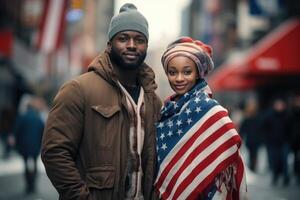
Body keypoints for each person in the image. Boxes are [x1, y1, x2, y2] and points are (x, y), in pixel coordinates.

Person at [41, 3, 162, 200]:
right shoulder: (78, 90)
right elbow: (55, 153)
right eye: (123, 38)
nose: (132, 45)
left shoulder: (154, 101)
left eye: (139, 39)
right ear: (109, 44)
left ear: (146, 46)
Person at [154, 37, 247, 200]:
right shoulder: (164, 112)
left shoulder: (212, 111)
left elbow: (225, 159)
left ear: (198, 72)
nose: (179, 78)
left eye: (187, 71)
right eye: (172, 72)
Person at [13, 96, 45, 194]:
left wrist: (16, 144)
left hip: (24, 145)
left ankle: (28, 185)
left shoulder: (22, 117)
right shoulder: (38, 118)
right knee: (35, 164)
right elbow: (43, 131)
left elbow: (16, 131)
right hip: (35, 145)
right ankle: (33, 184)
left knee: (26, 165)